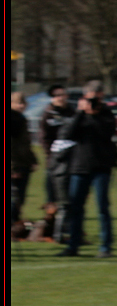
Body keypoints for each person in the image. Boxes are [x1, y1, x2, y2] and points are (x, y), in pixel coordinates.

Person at [56, 80, 117, 258]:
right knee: (76, 208)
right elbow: (67, 134)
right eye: (90, 98)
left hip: (101, 167)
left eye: (97, 98)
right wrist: (81, 113)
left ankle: (105, 247)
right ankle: (73, 246)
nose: (94, 102)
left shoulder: (106, 113)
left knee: (102, 207)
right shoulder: (79, 114)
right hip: (79, 166)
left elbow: (106, 133)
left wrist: (94, 114)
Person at [40, 84, 76, 242]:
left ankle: (69, 229)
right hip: (55, 161)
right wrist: (51, 157)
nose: (61, 97)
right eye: (58, 95)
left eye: (63, 94)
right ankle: (52, 230)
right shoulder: (48, 114)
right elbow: (44, 138)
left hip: (73, 160)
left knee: (70, 199)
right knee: (53, 198)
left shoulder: (73, 112)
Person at [9, 91, 38, 228]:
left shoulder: (21, 118)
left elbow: (25, 143)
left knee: (20, 197)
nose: (21, 106)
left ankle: (15, 221)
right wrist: (12, 168)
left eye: (23, 103)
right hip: (15, 165)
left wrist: (32, 160)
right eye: (18, 103)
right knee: (14, 196)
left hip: (23, 163)